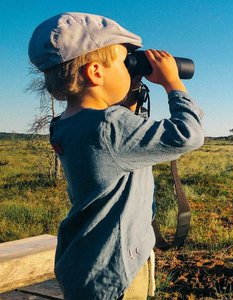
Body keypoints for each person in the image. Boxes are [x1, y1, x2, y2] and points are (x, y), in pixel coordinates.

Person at [28, 12, 204, 299]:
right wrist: (173, 83)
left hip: (84, 263)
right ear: (95, 73)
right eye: (125, 62)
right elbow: (189, 134)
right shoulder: (109, 126)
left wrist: (129, 87)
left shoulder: (65, 124)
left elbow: (114, 139)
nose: (130, 69)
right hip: (117, 270)